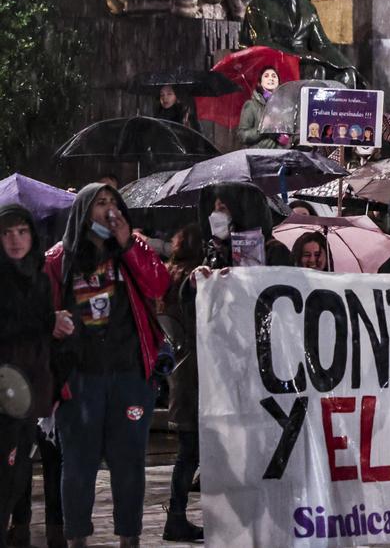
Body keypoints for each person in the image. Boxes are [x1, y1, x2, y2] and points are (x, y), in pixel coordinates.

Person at [43, 183, 170, 548]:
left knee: (129, 463)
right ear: (84, 211)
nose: (109, 210)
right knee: (79, 465)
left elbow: (159, 284)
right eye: (101, 204)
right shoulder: (57, 259)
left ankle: (130, 537)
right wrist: (52, 320)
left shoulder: (131, 249)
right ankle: (76, 537)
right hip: (79, 379)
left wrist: (129, 242)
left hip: (130, 376)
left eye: (114, 203)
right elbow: (41, 312)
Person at [0, 206, 69, 548]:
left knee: (18, 473)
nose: (15, 240)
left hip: (31, 388)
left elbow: (42, 334)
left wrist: (56, 325)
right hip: (3, 388)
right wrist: (46, 323)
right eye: (7, 233)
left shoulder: (40, 277)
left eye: (21, 231)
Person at [160, 224, 204, 543]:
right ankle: (175, 517)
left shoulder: (167, 275)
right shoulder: (193, 279)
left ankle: (176, 516)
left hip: (180, 371)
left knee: (188, 451)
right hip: (197, 374)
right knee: (190, 452)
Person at [236, 67, 285, 150]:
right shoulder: (251, 105)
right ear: (260, 82)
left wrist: (286, 141)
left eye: (274, 76)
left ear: (278, 82)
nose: (271, 78)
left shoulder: (284, 107)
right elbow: (242, 136)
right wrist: (262, 127)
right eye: (266, 76)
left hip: (279, 159)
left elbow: (292, 134)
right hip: (257, 158)